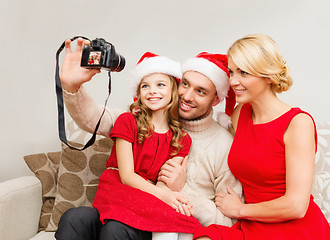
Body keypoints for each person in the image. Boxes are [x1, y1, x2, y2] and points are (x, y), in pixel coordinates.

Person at [55, 38, 242, 240]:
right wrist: (71, 87)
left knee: (116, 230)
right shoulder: (141, 118)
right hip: (123, 205)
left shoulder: (223, 144)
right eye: (185, 84)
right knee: (75, 218)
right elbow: (94, 118)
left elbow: (228, 219)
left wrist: (181, 191)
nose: (187, 96)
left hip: (159, 222)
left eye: (200, 91)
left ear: (215, 99)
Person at [193, 34, 330, 240]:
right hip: (253, 226)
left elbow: (296, 206)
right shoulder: (240, 113)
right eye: (231, 72)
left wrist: (239, 210)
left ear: (268, 75)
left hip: (294, 229)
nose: (233, 81)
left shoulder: (298, 123)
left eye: (244, 72)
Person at [92, 51, 201, 239]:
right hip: (119, 187)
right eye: (145, 86)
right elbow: (126, 175)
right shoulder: (127, 121)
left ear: (173, 91)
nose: (152, 91)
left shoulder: (182, 138)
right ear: (139, 93)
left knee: (184, 220)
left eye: (160, 85)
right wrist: (165, 197)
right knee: (172, 216)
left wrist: (171, 198)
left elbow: (166, 182)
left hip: (151, 193)